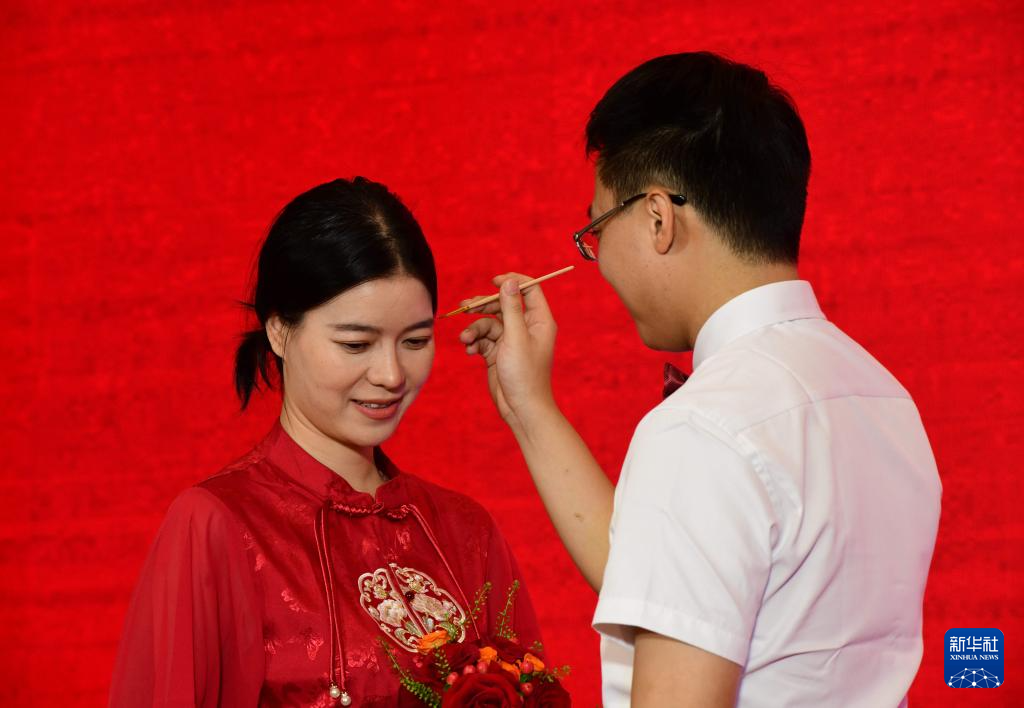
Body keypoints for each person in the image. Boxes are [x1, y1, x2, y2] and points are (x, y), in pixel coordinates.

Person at [459, 52, 941, 707]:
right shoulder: (881, 396)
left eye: (597, 230)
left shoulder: (703, 427)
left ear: (658, 217)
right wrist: (529, 406)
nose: (600, 262)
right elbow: (678, 583)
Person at [110, 177, 541, 707]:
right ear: (278, 331)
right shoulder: (217, 525)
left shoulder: (466, 531)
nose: (390, 374)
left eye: (415, 341)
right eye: (356, 344)